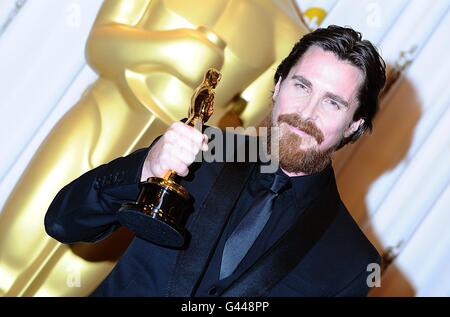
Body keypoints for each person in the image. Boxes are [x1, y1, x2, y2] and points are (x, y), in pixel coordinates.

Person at [45, 25, 386, 297]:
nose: (306, 113)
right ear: (278, 86)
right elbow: (63, 222)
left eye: (333, 103)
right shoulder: (202, 149)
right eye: (301, 86)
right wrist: (146, 168)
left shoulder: (352, 262)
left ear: (354, 124)